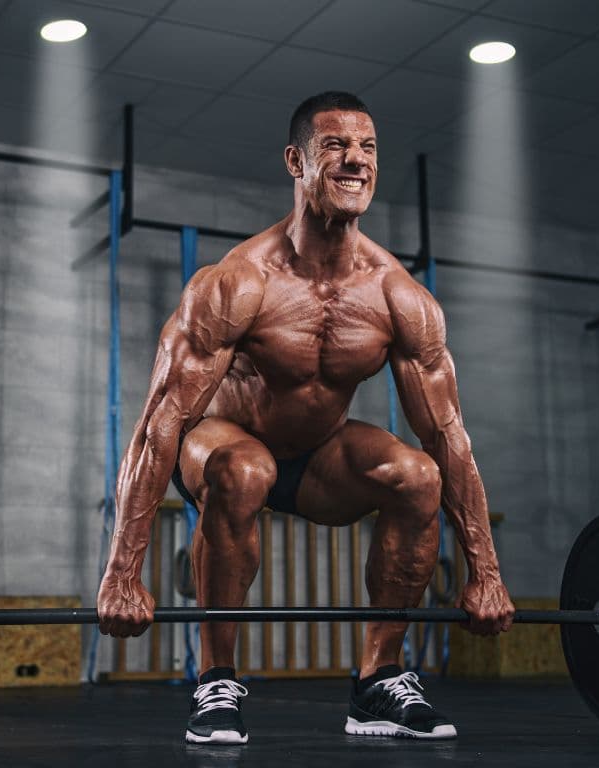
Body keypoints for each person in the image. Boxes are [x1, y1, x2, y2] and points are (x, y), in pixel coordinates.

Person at [96, 91, 514, 744]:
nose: (356, 160)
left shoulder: (398, 297)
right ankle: (216, 680)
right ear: (296, 161)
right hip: (223, 446)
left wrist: (486, 573)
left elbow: (448, 436)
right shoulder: (238, 284)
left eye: (368, 147)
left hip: (317, 460)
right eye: (336, 146)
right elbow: (160, 424)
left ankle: (379, 680)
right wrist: (123, 572)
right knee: (245, 470)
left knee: (419, 476)